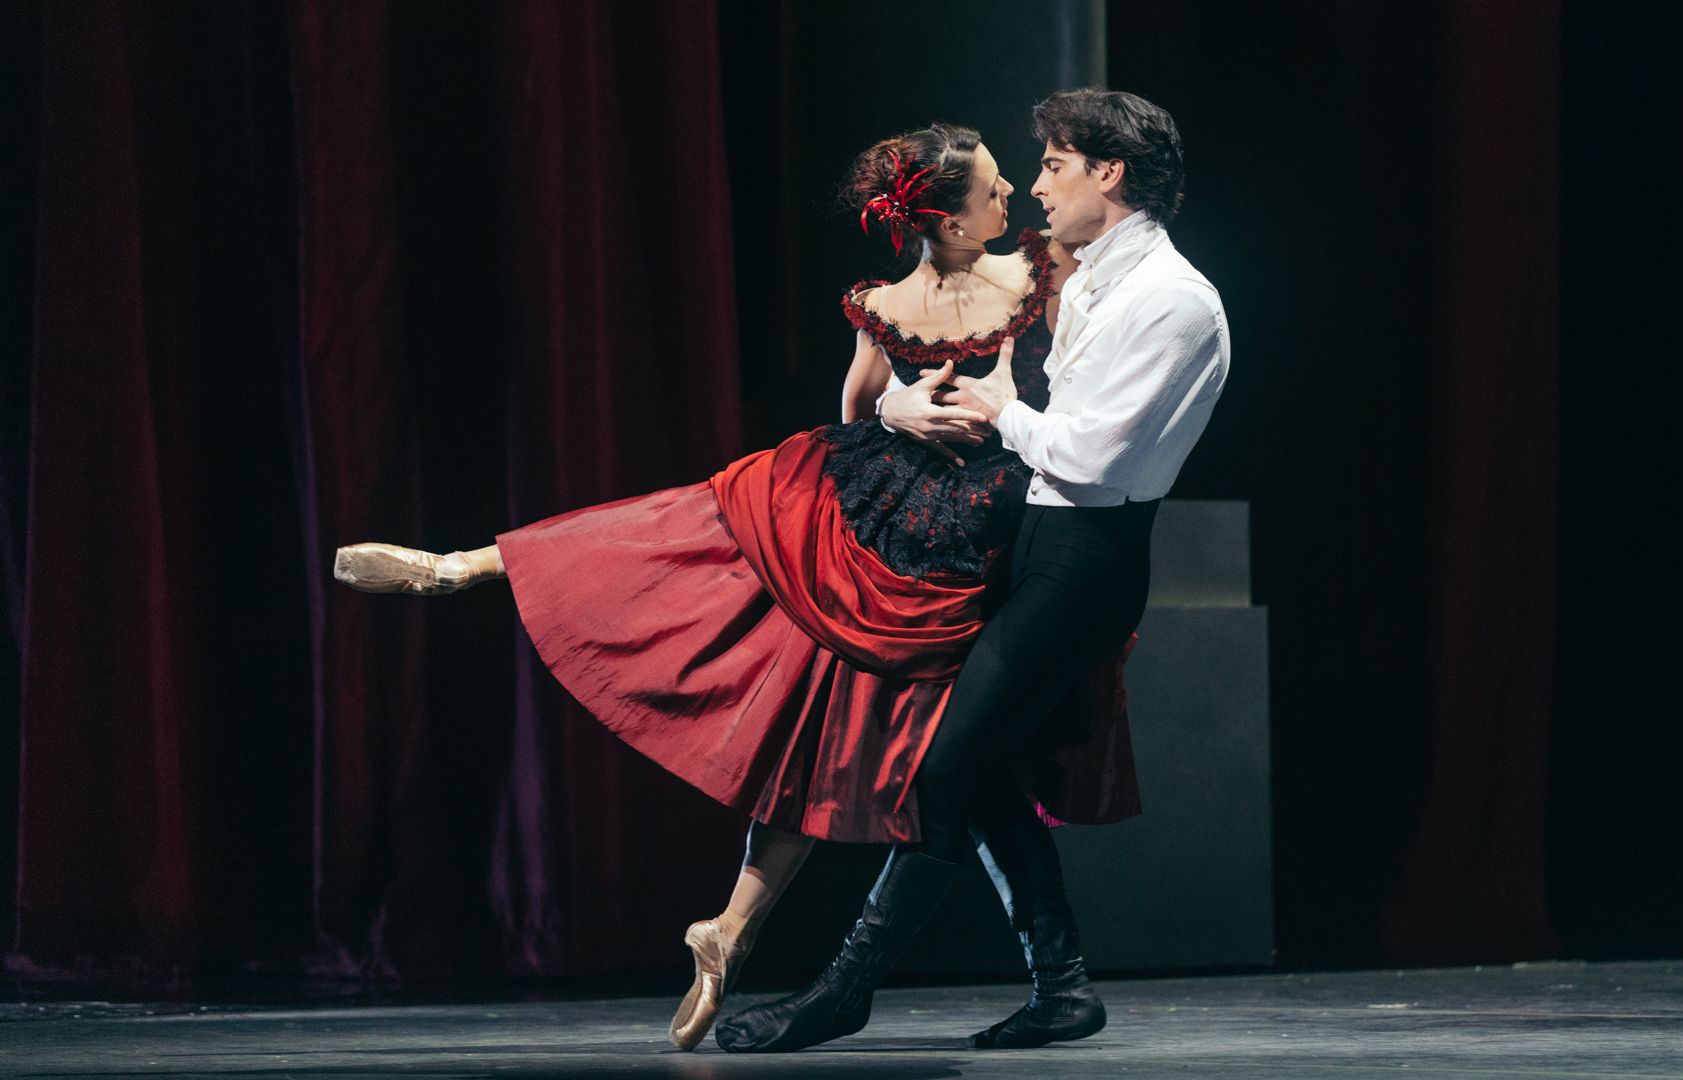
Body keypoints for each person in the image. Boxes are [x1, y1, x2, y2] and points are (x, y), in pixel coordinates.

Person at [331, 121, 1141, 1051]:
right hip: (935, 539)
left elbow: (1010, 399)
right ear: (951, 223)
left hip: (945, 535)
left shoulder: (998, 279)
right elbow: (869, 409)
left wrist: (937, 410)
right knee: (781, 635)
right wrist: (902, 409)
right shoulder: (964, 289)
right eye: (995, 186)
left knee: (754, 604)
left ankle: (482, 567)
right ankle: (774, 934)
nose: (1013, 194)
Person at [715, 88, 1229, 1054]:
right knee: (982, 766)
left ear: (1110, 172)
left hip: (1086, 559)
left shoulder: (1172, 300)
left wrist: (1001, 410)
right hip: (1030, 541)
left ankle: (845, 988)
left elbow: (1091, 458)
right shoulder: (1089, 276)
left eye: (1054, 166)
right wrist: (902, 408)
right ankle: (1062, 985)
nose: (1037, 186)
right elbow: (906, 377)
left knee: (943, 768)